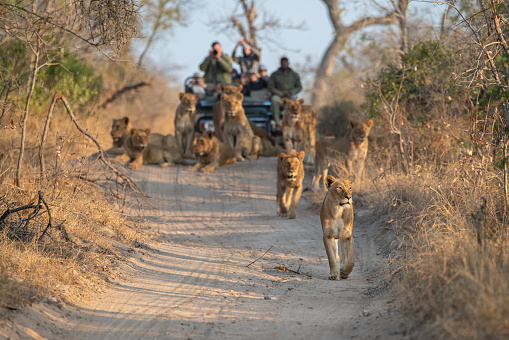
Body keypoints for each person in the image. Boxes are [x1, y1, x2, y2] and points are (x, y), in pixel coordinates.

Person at [268, 57, 302, 127]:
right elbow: (271, 87)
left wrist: (291, 92)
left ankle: (293, 124)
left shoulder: (294, 75)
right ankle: (278, 124)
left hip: (290, 96)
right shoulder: (275, 74)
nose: (284, 64)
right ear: (280, 64)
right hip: (279, 96)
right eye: (282, 62)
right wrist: (280, 94)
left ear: (288, 63)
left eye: (285, 62)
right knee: (274, 100)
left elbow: (299, 87)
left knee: (294, 102)